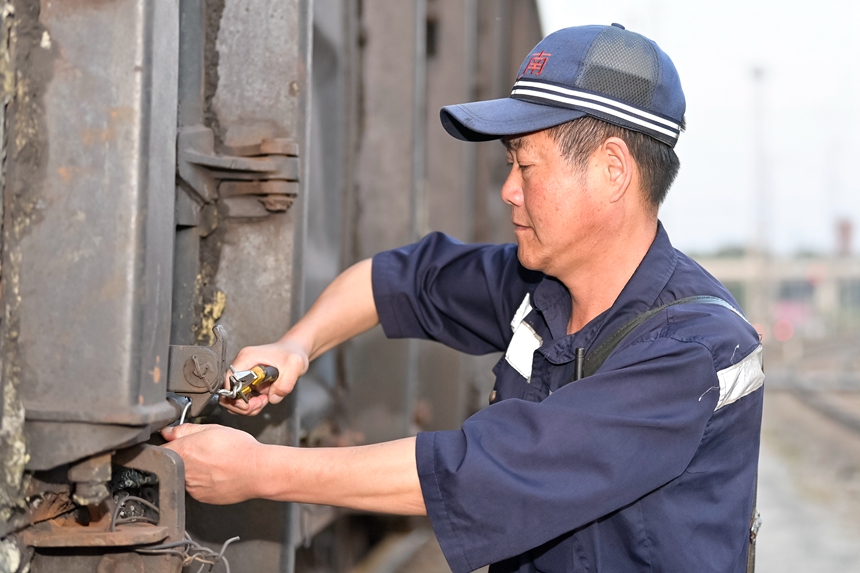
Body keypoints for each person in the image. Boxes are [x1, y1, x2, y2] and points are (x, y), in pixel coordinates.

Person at [163, 24, 764, 573]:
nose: (508, 191)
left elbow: (482, 474)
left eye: (526, 167)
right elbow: (401, 279)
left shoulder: (693, 351)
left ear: (612, 170)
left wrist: (260, 471)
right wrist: (296, 346)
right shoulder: (545, 284)